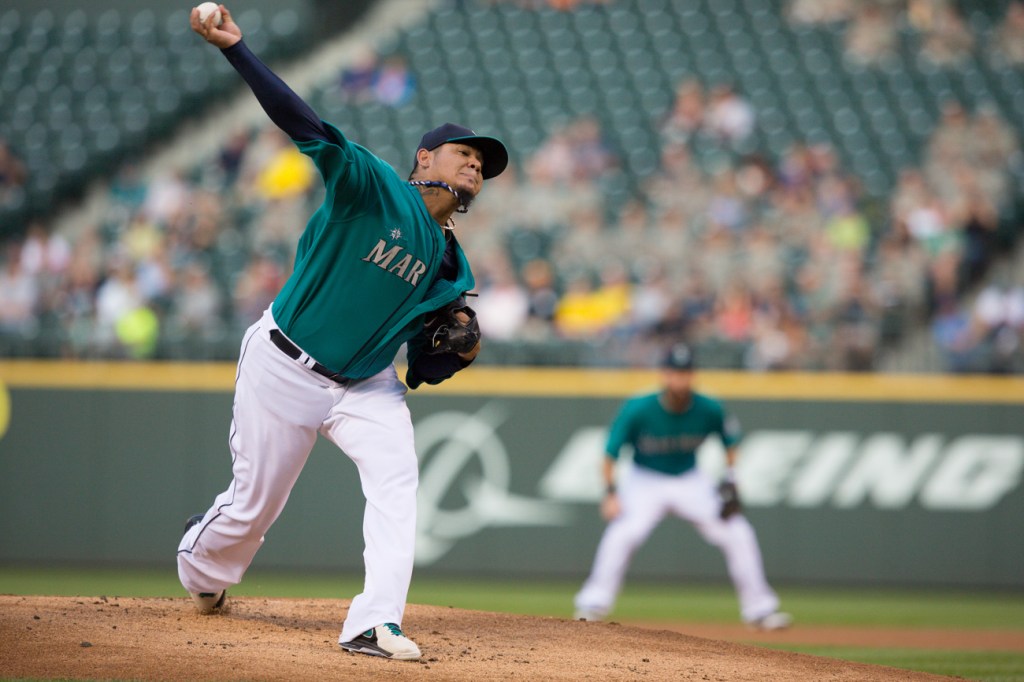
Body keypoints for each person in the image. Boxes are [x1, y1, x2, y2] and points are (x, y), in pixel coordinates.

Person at [177, 5, 508, 662]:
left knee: (398, 478)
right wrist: (237, 49)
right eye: (464, 154)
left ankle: (372, 621)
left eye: (483, 163)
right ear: (425, 158)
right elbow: (302, 122)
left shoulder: (451, 263)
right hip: (284, 364)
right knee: (252, 511)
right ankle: (200, 566)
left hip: (366, 385)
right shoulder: (373, 186)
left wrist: (453, 349)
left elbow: (422, 358)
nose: (475, 165)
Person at [573, 343, 792, 630]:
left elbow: (730, 442)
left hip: (690, 479)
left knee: (738, 532)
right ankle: (592, 604)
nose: (680, 378)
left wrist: (732, 477)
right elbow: (610, 454)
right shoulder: (639, 408)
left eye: (685, 372)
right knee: (622, 534)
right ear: (664, 374)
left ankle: (760, 610)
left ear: (693, 375)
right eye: (675, 372)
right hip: (645, 480)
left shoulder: (709, 407)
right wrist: (610, 493)